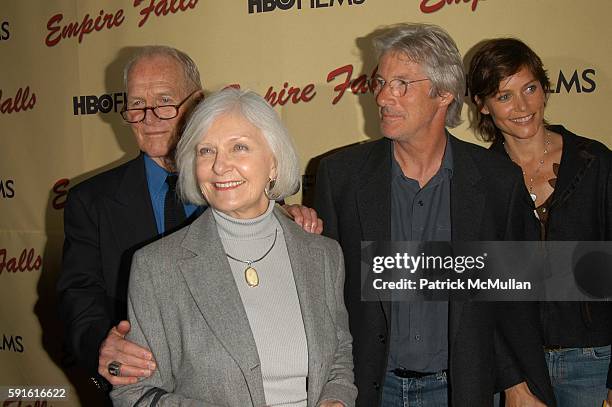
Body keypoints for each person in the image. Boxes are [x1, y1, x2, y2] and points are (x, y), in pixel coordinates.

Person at [56, 46, 321, 395]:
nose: (149, 118)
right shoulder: (90, 202)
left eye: (164, 100)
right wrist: (101, 346)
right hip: (145, 388)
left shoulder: (241, 184)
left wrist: (293, 223)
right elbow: (78, 295)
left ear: (197, 102)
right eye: (136, 104)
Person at [314, 23, 555, 406]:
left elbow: (511, 301)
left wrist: (518, 383)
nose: (383, 97)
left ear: (444, 94)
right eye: (381, 82)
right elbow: (322, 295)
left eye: (402, 84)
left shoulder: (496, 182)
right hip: (370, 389)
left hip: (461, 389)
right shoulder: (340, 176)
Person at [110, 88, 357, 407]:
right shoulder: (156, 267)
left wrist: (335, 400)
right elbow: (133, 393)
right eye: (206, 151)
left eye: (239, 147)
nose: (219, 166)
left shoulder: (324, 256)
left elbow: (338, 358)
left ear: (273, 162)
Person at [468, 37, 612, 407]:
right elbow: (481, 293)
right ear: (483, 105)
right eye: (504, 96)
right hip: (521, 369)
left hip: (595, 360)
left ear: (545, 88)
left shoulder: (596, 162)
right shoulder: (479, 181)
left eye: (530, 88)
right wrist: (511, 381)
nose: (522, 106)